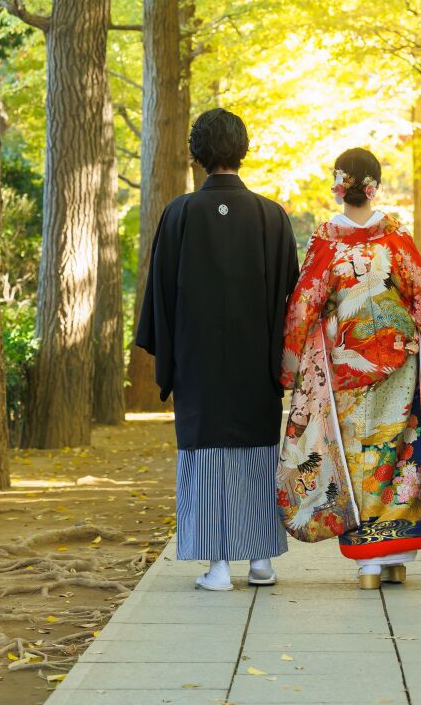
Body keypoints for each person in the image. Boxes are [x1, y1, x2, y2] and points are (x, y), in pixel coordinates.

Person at [278, 147, 421, 589]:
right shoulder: (395, 237)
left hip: (347, 365)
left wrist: (288, 366)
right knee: (400, 451)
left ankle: (368, 563)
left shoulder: (327, 243)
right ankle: (397, 557)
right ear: (374, 187)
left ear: (339, 186)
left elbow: (303, 304)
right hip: (402, 363)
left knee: (359, 453)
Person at [135, 107, 299, 591]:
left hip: (197, 361)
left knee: (205, 455)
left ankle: (218, 567)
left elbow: (160, 296)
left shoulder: (179, 213)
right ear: (242, 150)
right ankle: (261, 560)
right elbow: (291, 297)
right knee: (257, 452)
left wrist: (169, 359)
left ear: (197, 153)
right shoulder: (271, 215)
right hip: (256, 362)